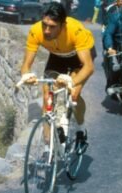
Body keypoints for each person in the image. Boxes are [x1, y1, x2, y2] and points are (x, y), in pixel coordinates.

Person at [19, 2, 95, 149]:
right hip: (57, 56)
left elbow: (88, 67)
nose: (47, 30)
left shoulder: (75, 30)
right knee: (47, 95)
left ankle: (81, 128)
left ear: (62, 25)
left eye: (52, 26)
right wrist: (25, 76)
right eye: (44, 24)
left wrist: (70, 82)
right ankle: (48, 145)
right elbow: (25, 65)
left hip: (79, 58)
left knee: (73, 95)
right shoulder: (36, 31)